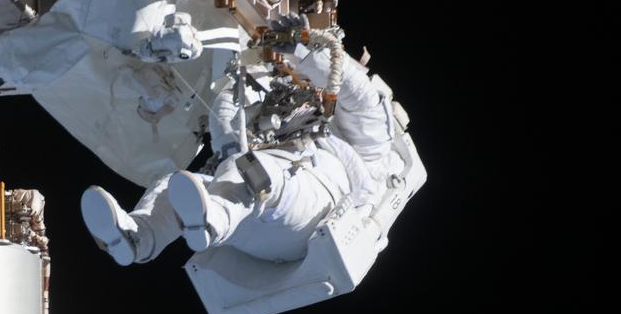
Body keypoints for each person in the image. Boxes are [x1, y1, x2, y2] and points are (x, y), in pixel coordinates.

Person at [82, 40, 403, 266]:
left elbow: (356, 91)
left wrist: (300, 47)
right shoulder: (275, 126)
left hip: (310, 215)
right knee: (173, 184)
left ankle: (213, 220)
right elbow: (227, 114)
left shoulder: (371, 145)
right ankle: (138, 238)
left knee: (259, 173)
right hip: (254, 234)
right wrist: (246, 83)